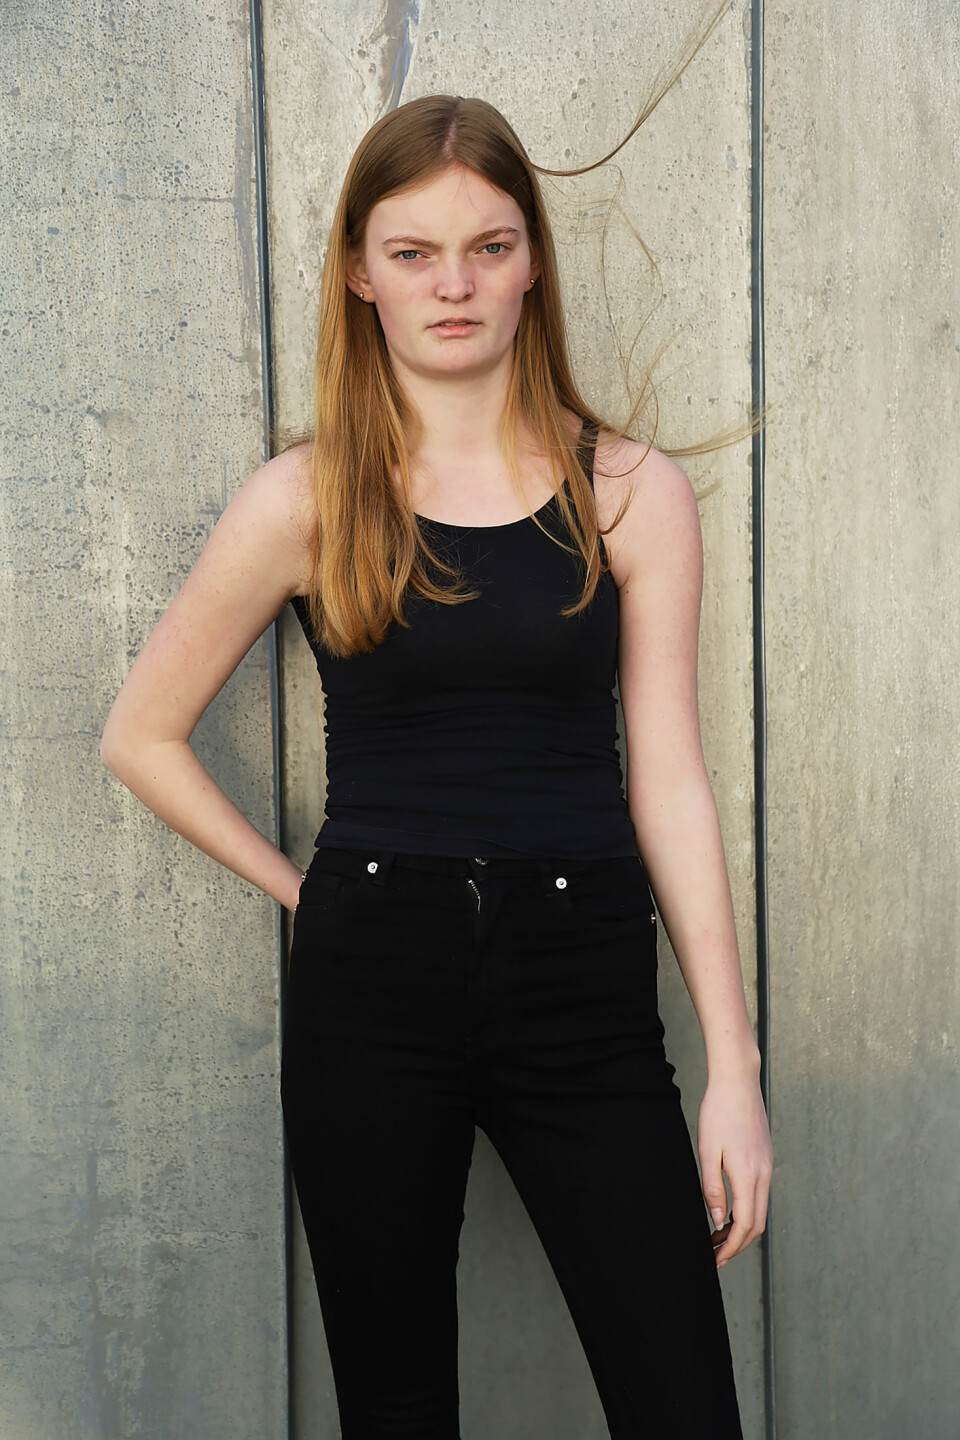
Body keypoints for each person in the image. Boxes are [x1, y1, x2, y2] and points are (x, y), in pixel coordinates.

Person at [101, 90, 772, 1440]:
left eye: (488, 247)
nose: (453, 285)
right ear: (361, 272)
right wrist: (312, 895)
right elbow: (140, 735)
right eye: (413, 252)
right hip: (372, 983)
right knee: (395, 1408)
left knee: (683, 1405)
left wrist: (735, 1069)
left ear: (532, 263)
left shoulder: (627, 491)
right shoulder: (306, 499)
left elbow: (670, 782)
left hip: (583, 984)